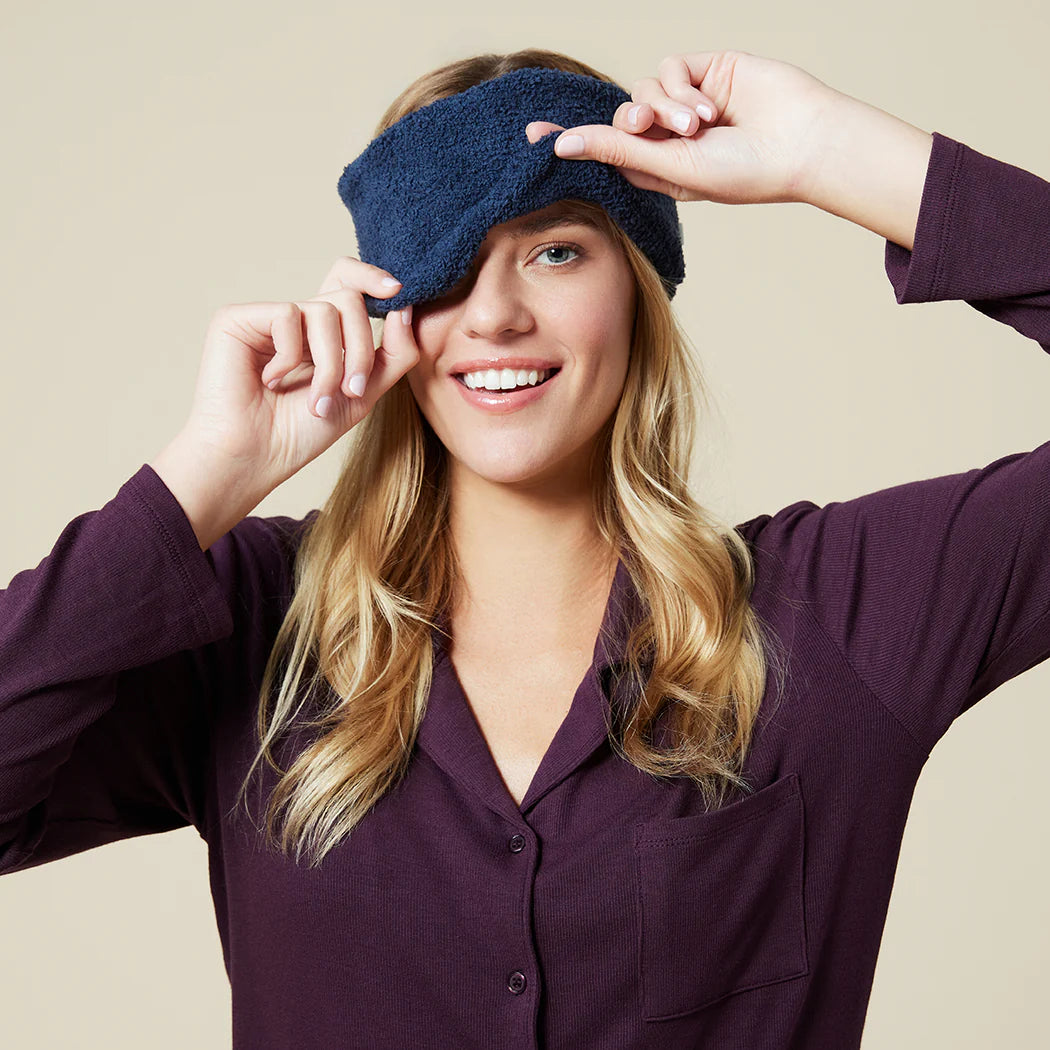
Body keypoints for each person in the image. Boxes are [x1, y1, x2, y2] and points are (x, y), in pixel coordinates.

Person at [1, 45, 1048, 1050]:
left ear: (637, 289)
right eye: (446, 268)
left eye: (555, 251)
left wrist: (836, 154)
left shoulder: (836, 616)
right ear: (385, 311)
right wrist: (204, 478)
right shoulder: (255, 622)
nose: (496, 315)